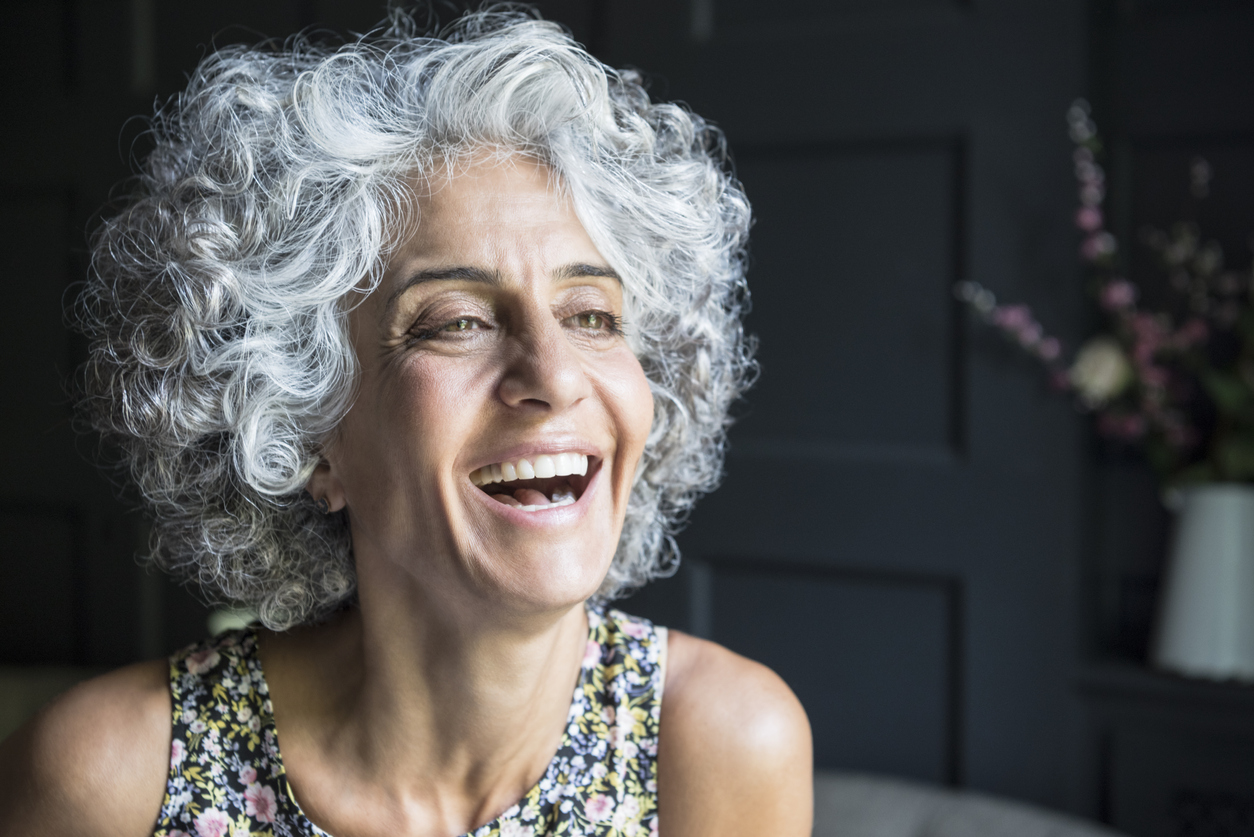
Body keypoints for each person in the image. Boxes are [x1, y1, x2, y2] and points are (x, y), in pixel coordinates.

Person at [0, 6, 812, 836]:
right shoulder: (108, 776)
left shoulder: (719, 742)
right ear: (302, 428)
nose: (556, 375)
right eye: (456, 320)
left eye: (593, 315)